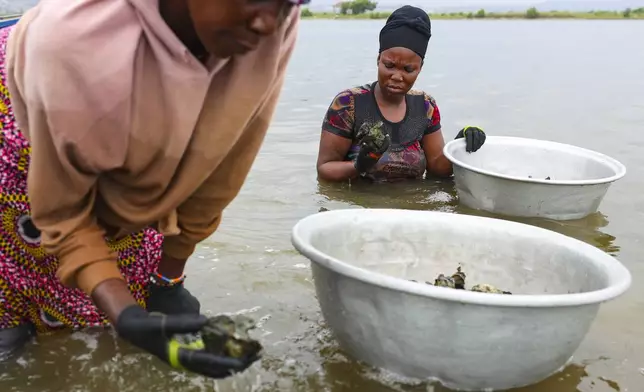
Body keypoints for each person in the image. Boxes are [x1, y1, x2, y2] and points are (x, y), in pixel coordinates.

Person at [0, 0, 307, 379]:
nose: (266, 23)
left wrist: (168, 278)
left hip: (133, 130)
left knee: (117, 285)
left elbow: (224, 161)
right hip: (32, 118)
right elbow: (62, 216)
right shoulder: (73, 42)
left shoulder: (272, 22)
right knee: (25, 270)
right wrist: (126, 315)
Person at [316, 6, 486, 184]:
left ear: (420, 68)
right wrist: (360, 165)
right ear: (378, 59)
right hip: (362, 209)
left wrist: (460, 144)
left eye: (408, 69)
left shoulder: (425, 106)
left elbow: (438, 169)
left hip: (412, 207)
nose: (397, 76)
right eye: (389, 65)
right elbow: (324, 169)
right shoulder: (348, 103)